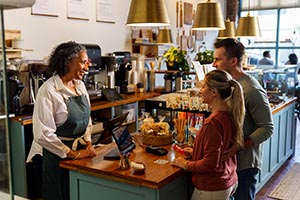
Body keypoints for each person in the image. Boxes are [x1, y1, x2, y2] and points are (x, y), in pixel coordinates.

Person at [27, 41, 97, 200]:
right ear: (68, 62)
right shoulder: (48, 91)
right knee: (59, 194)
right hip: (52, 154)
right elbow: (43, 135)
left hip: (76, 152)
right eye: (83, 62)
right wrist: (74, 154)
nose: (87, 67)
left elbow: (87, 116)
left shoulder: (79, 85)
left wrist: (88, 142)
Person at [213, 38, 274, 200]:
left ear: (233, 61)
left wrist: (238, 146)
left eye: (218, 59)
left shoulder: (251, 89)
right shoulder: (230, 84)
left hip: (245, 165)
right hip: (230, 163)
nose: (214, 64)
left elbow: (267, 128)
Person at [172, 69, 245, 200]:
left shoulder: (212, 123)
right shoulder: (229, 115)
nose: (200, 90)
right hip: (229, 179)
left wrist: (184, 164)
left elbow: (210, 164)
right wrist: (197, 152)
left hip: (212, 188)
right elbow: (219, 151)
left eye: (204, 86)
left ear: (213, 92)